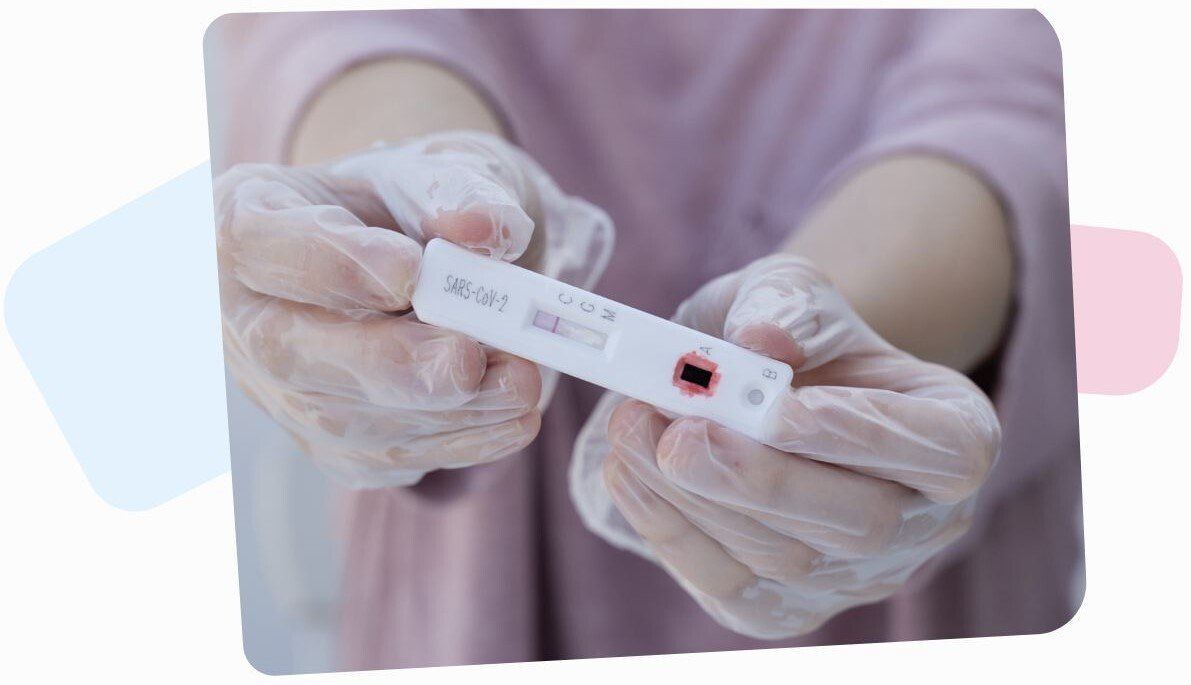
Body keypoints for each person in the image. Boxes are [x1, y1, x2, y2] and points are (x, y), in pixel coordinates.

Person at [208, 8, 1080, 669]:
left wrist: (812, 343)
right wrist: (416, 187)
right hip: (485, 592)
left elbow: (1014, 99)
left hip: (896, 575)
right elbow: (332, 27)